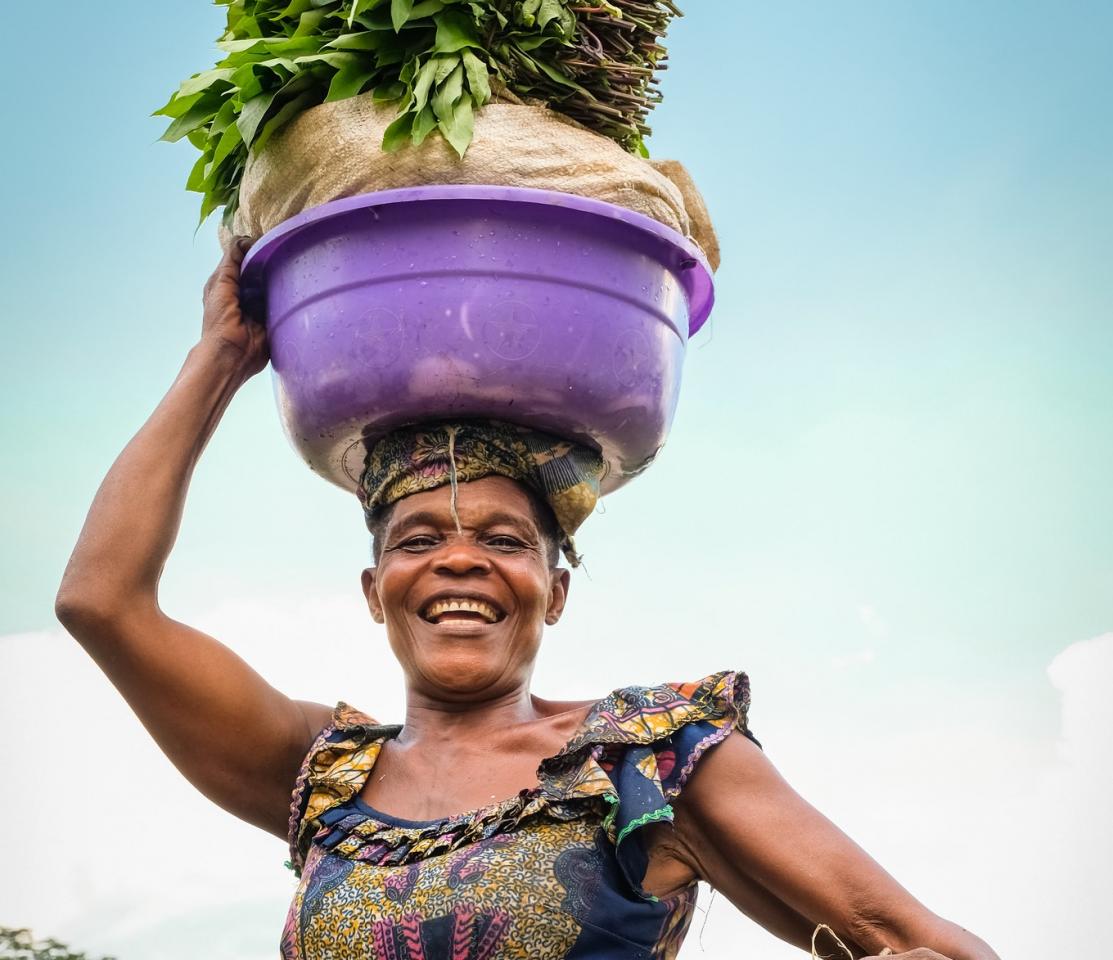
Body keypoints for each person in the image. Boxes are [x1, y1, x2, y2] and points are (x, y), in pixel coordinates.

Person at [55, 243, 1000, 960]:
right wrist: (219, 357)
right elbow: (102, 601)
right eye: (417, 540)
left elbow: (921, 942)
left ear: (553, 594)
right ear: (373, 592)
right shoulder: (318, 773)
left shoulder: (653, 760)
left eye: (503, 542)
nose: (458, 563)